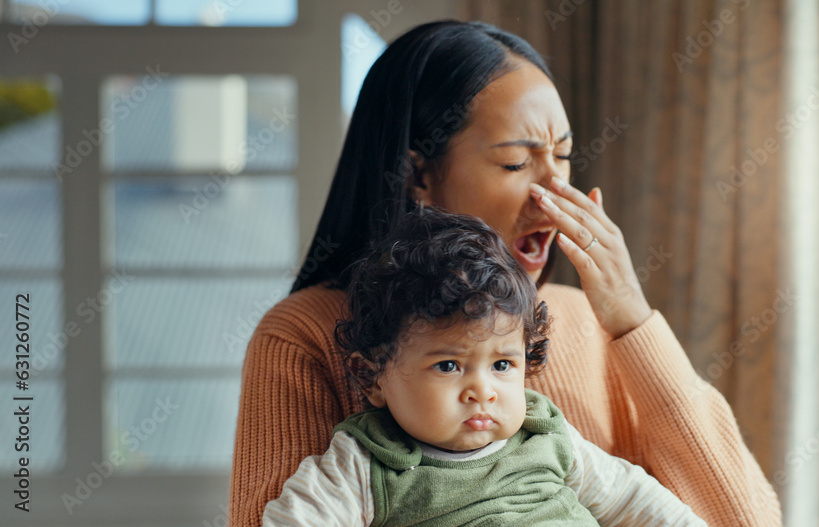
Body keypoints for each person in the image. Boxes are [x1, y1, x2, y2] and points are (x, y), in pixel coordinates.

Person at [230, 20, 782, 527]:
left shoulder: (587, 319)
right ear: (417, 173)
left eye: (562, 157)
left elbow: (748, 521)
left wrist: (632, 323)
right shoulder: (303, 334)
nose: (554, 195)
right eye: (517, 163)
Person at [260, 209, 707, 526]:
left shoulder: (544, 435)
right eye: (449, 365)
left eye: (502, 364)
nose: (482, 390)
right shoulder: (367, 463)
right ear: (371, 375)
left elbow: (633, 498)